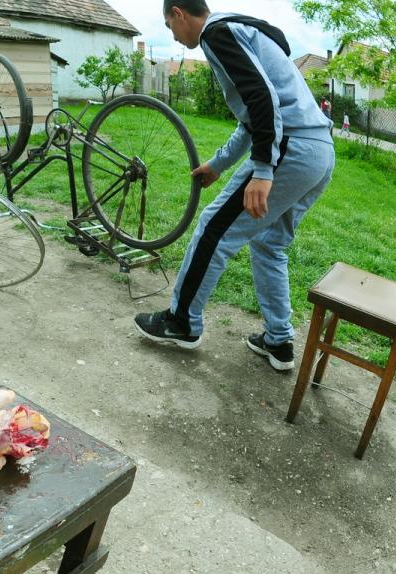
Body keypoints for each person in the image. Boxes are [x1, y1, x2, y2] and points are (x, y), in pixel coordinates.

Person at [135, 0, 335, 372]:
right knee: (269, 243)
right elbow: (251, 117)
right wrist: (219, 164)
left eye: (168, 25)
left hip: (291, 147)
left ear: (179, 13)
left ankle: (181, 321)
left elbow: (264, 100)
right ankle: (279, 339)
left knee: (214, 229)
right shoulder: (243, 31)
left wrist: (262, 170)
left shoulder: (217, 33)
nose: (173, 35)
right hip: (320, 152)